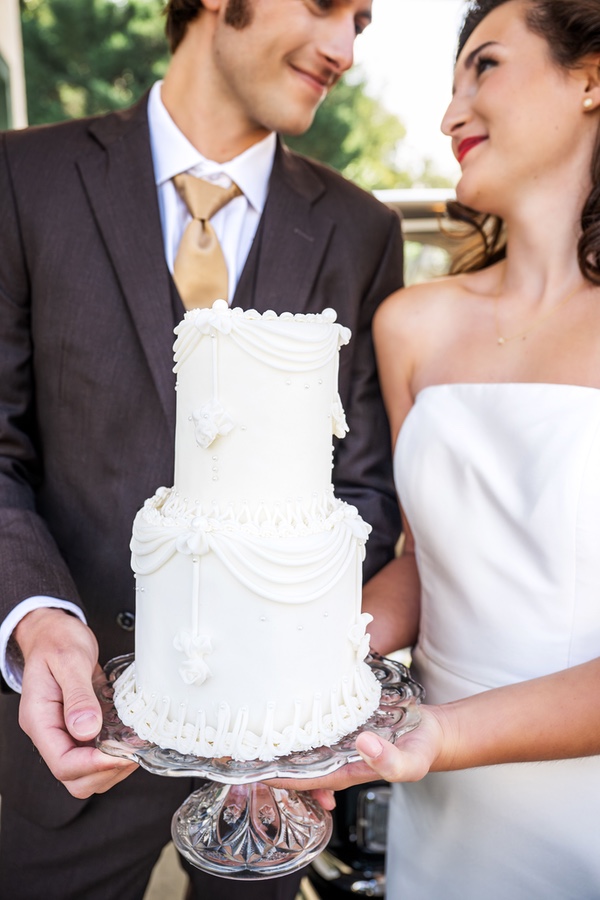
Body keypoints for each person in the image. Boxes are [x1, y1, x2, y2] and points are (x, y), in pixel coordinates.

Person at [0, 1, 403, 898]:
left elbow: (367, 493)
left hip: (273, 752)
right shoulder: (22, 177)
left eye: (362, 24)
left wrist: (290, 667)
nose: (343, 48)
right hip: (64, 740)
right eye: (326, 5)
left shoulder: (363, 231)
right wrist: (35, 615)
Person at [283, 1, 600, 897]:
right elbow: (426, 564)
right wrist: (303, 657)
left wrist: (441, 736)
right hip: (448, 804)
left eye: (485, 67)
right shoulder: (411, 325)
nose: (450, 114)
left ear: (590, 78)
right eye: (452, 81)